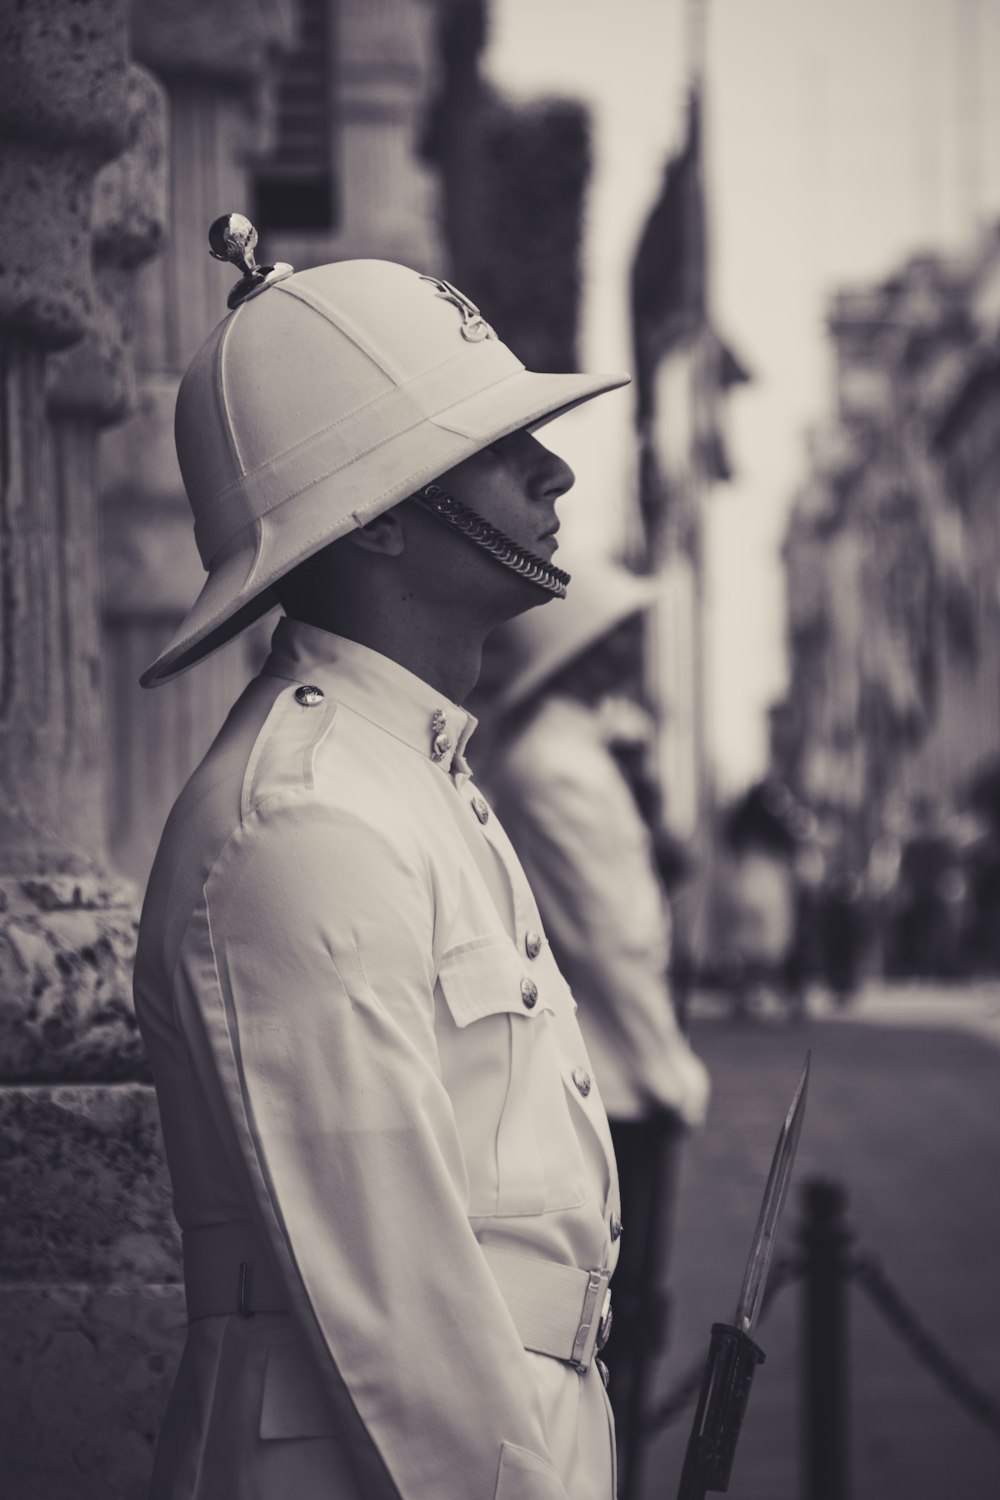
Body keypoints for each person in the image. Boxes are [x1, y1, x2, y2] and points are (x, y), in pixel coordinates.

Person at [133, 215, 630, 1500]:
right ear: (377, 525)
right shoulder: (304, 820)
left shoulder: (402, 775)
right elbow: (395, 1313)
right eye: (484, 445)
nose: (551, 473)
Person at [480, 560, 710, 1489]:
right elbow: (612, 940)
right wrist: (672, 1071)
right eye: (615, 633)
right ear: (576, 650)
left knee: (634, 1311)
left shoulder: (566, 753)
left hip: (621, 1070)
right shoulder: (558, 765)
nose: (631, 648)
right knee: (622, 1315)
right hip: (616, 1080)